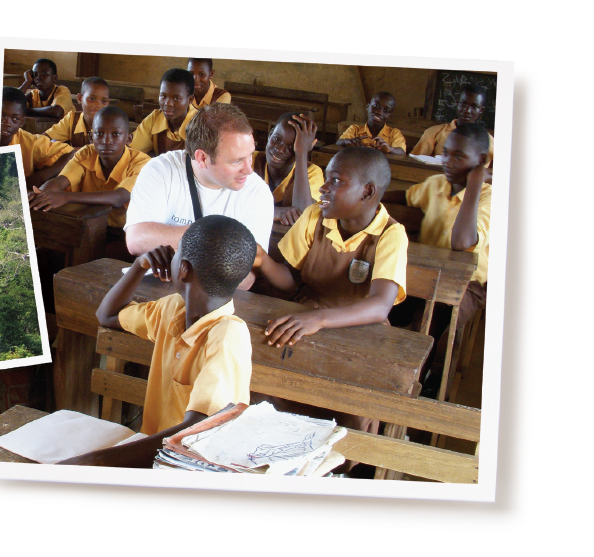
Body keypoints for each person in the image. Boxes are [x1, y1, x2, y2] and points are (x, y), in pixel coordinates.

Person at [58, 215, 257, 468]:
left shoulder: (228, 336)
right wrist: (139, 266)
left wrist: (93, 462)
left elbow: (196, 435)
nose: (169, 256)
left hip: (188, 467)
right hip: (151, 451)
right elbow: (106, 315)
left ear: (183, 269)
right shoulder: (173, 310)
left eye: (176, 252)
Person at [257, 147, 407, 438]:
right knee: (279, 388)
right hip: (305, 314)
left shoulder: (390, 234)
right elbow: (290, 280)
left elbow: (379, 306)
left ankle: (342, 466)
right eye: (326, 178)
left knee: (347, 415)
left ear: (367, 192)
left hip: (360, 332)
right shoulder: (315, 216)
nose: (323, 188)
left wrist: (320, 319)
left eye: (336, 181)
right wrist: (262, 260)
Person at [384, 123, 491, 397]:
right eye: (446, 153)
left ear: (481, 161)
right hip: (423, 273)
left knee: (427, 323)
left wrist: (476, 184)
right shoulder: (436, 184)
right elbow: (406, 197)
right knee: (384, 307)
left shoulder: (492, 199)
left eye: (459, 157)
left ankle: (416, 387)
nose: (447, 162)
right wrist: (370, 196)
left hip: (466, 285)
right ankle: (383, 372)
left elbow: (462, 242)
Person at [124, 103, 275, 267]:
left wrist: (181, 258)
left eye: (250, 155)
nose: (248, 169)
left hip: (215, 292)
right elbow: (136, 240)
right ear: (202, 158)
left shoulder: (257, 192)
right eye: (237, 160)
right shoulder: (160, 170)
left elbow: (247, 275)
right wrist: (218, 238)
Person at [29, 107, 149, 229]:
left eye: (115, 134)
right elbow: (60, 181)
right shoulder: (86, 153)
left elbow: (118, 197)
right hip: (90, 225)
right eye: (100, 133)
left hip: (125, 232)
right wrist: (41, 195)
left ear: (128, 139)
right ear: (91, 138)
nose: (107, 141)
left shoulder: (142, 163)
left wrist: (64, 197)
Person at [251, 112, 325, 225]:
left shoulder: (312, 171)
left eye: (292, 147)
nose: (280, 149)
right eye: (276, 139)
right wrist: (272, 212)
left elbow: (304, 215)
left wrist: (301, 153)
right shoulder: (249, 160)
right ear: (270, 134)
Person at [1, 87, 75, 188]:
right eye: (1, 115)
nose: (7, 123)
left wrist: (40, 177)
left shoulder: (30, 142)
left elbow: (72, 154)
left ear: (22, 122)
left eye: (15, 119)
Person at [411, 84, 494, 164]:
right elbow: (415, 161)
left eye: (474, 106)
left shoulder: (488, 141)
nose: (467, 110)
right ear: (457, 103)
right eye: (464, 104)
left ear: (481, 110)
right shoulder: (434, 132)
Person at [128, 69, 198, 156]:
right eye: (163, 96)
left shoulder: (199, 124)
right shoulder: (155, 118)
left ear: (190, 99)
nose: (167, 103)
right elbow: (131, 151)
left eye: (176, 98)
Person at [43, 77, 110, 149]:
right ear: (80, 98)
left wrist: (69, 150)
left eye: (104, 101)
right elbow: (43, 141)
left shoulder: (113, 124)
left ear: (108, 103)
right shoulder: (72, 120)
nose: (98, 105)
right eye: (92, 99)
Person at [337, 92, 406, 155]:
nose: (379, 112)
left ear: (390, 116)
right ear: (368, 106)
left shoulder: (394, 133)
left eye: (385, 110)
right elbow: (339, 143)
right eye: (376, 106)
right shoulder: (355, 129)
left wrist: (389, 149)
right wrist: (348, 142)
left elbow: (401, 151)